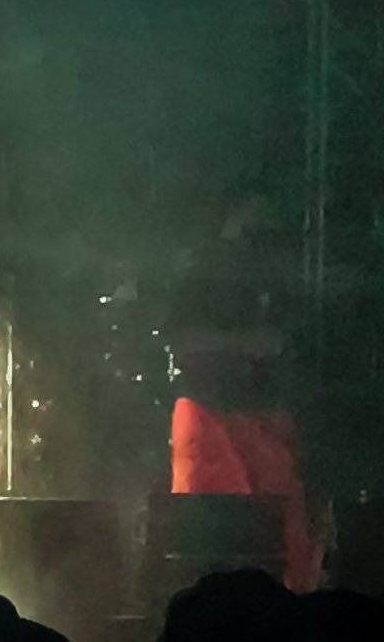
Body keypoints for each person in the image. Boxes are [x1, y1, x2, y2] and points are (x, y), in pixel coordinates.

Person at [167, 195, 321, 592]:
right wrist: (249, 345)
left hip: (265, 415)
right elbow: (183, 341)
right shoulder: (202, 271)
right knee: (215, 534)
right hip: (210, 411)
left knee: (278, 537)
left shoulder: (285, 271)